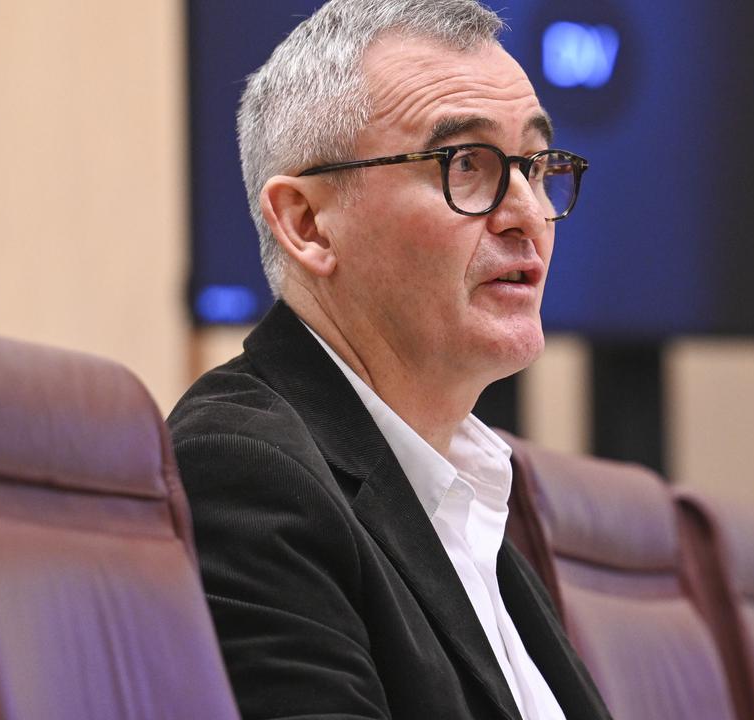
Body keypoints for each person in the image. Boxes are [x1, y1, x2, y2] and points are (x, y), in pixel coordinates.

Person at [167, 1, 606, 718]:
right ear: (308, 224)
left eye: (534, 166)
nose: (527, 210)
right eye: (467, 164)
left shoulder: (473, 495)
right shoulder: (247, 475)